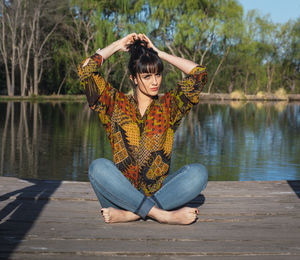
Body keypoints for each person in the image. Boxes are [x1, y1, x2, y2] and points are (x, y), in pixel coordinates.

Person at [78, 33, 208, 225]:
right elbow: (85, 71)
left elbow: (199, 74)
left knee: (199, 173)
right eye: (147, 76)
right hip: (120, 194)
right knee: (97, 168)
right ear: (134, 78)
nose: (154, 82)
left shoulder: (169, 107)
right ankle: (160, 214)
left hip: (160, 194)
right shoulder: (115, 104)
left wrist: (160, 52)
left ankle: (134, 214)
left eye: (158, 74)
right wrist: (117, 45)